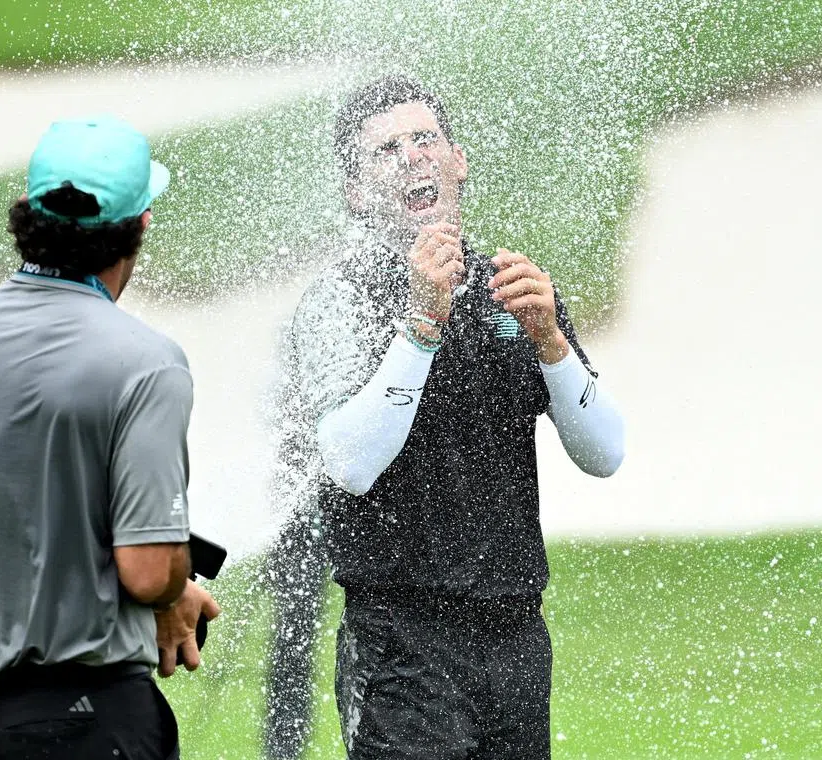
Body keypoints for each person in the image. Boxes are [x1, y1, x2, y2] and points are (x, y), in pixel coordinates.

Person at [263, 76, 625, 759]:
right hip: (399, 644)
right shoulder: (340, 301)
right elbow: (351, 463)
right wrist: (423, 322)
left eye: (425, 139)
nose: (412, 157)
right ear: (357, 192)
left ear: (457, 161)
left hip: (516, 635)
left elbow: (605, 453)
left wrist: (551, 342)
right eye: (386, 150)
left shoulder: (511, 288)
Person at [0, 115, 220, 759]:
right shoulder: (147, 362)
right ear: (141, 224)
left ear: (28, 211)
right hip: (87, 721)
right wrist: (175, 585)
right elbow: (147, 570)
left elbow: (22, 520)